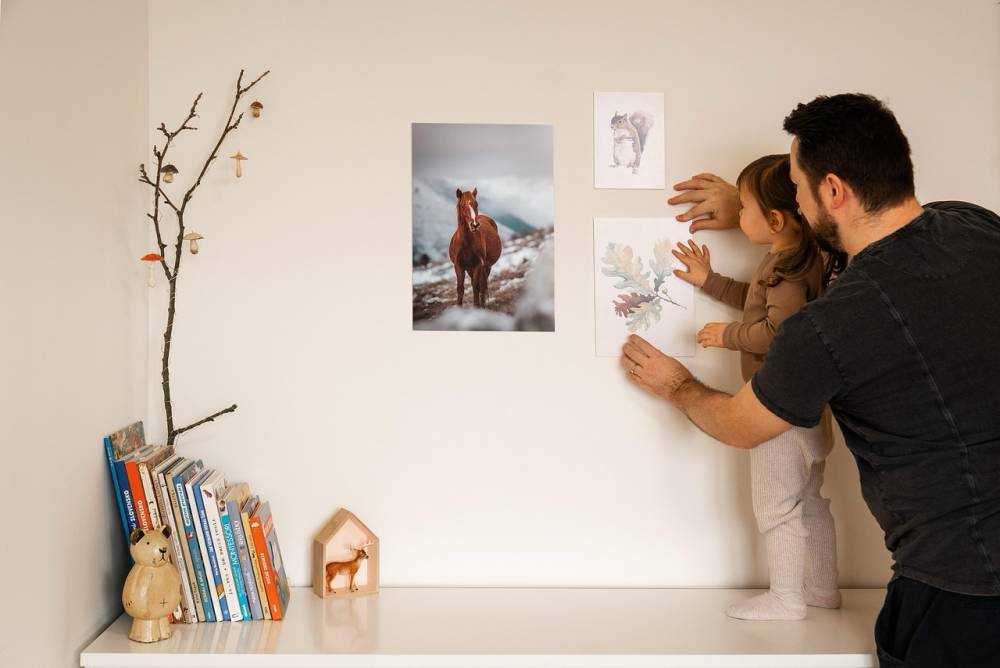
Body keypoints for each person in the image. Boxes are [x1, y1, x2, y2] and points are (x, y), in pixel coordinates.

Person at [621, 93, 1000, 666]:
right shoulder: (973, 224)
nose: (796, 198)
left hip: (960, 600)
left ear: (833, 190)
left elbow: (740, 425)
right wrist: (751, 208)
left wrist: (676, 384)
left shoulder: (830, 325)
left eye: (797, 186)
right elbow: (869, 244)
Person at [672, 153, 843, 620]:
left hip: (777, 411)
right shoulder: (794, 261)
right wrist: (710, 281)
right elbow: (754, 299)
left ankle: (787, 598)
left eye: (744, 207)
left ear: (775, 220)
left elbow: (775, 330)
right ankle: (821, 589)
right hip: (810, 410)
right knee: (810, 502)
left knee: (776, 506)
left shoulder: (787, 268)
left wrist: (726, 335)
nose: (738, 214)